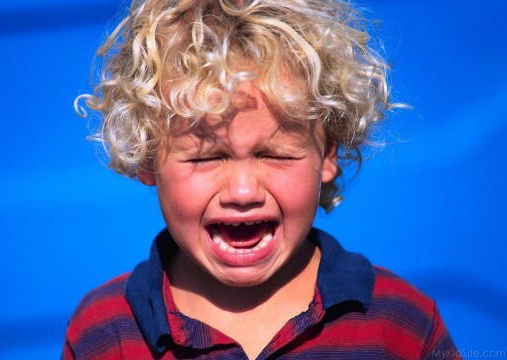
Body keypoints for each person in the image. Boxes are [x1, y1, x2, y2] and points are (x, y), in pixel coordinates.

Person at [63, 0, 460, 359]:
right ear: (147, 160)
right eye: (205, 157)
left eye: (274, 154)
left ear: (327, 155)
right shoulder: (106, 332)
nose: (243, 192)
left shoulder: (401, 325)